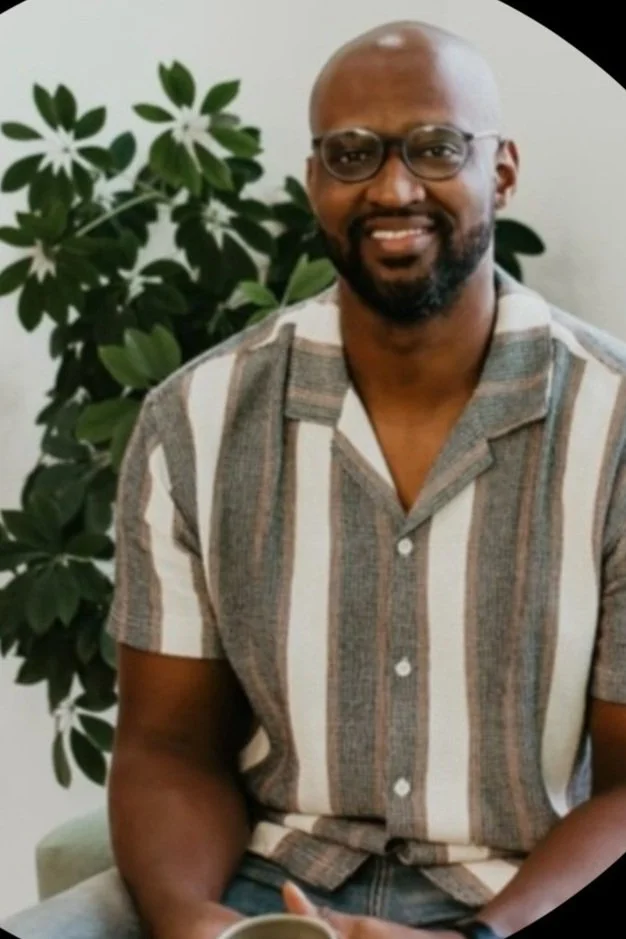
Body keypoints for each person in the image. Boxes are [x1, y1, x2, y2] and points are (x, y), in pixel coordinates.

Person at [4, 17, 626, 939]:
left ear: (501, 169)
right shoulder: (196, 420)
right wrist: (196, 925)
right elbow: (170, 745)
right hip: (270, 895)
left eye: (436, 146)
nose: (394, 185)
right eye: (353, 153)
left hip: (524, 903)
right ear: (314, 183)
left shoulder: (612, 425)